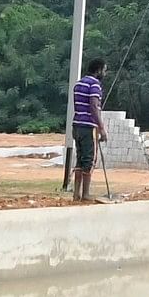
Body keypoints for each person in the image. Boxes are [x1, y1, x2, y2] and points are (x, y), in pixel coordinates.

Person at [67, 57, 107, 201]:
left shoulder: (78, 84)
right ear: (98, 70)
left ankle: (76, 194)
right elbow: (94, 106)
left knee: (80, 159)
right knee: (89, 160)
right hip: (88, 127)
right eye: (104, 70)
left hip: (76, 125)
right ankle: (85, 194)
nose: (105, 73)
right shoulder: (95, 85)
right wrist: (101, 128)